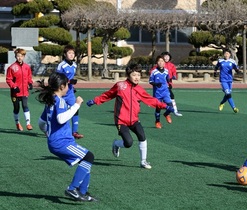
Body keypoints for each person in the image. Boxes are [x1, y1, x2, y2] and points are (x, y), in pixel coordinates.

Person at [86, 64, 174, 169]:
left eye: (139, 75)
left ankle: (143, 161)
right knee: (128, 143)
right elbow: (108, 95)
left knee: (142, 136)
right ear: (128, 75)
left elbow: (151, 100)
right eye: (134, 75)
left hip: (134, 120)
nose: (137, 77)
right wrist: (95, 101)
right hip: (121, 120)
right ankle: (116, 144)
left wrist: (165, 106)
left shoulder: (139, 89)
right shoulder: (120, 86)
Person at [37, 72, 97, 202]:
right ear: (62, 86)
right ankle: (72, 189)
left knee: (85, 159)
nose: (69, 89)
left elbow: (41, 123)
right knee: (89, 157)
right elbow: (61, 118)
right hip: (61, 142)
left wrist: (47, 133)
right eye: (67, 86)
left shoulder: (50, 101)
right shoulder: (60, 101)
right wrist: (76, 105)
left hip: (55, 141)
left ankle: (83, 192)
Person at [56, 45, 83, 139]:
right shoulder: (61, 65)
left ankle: (74, 132)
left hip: (70, 92)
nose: (71, 55)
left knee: (75, 109)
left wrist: (72, 86)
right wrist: (68, 82)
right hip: (61, 92)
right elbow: (57, 78)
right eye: (69, 53)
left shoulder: (74, 65)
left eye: (73, 53)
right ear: (65, 54)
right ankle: (51, 129)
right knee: (60, 112)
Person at [6, 48, 33, 131]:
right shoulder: (12, 67)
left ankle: (28, 123)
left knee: (25, 106)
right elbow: (8, 79)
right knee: (16, 108)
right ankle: (17, 123)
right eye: (18, 56)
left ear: (24, 56)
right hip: (15, 92)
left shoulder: (27, 67)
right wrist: (14, 86)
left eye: (21, 56)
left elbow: (29, 77)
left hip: (24, 91)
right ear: (15, 56)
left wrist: (30, 83)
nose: (19, 58)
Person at [149, 55, 174, 129]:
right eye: (159, 61)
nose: (160, 62)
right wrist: (156, 84)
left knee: (171, 106)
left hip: (165, 92)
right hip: (157, 93)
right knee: (158, 108)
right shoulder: (154, 72)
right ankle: (157, 122)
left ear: (164, 63)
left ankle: (166, 114)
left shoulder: (166, 71)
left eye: (162, 61)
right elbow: (150, 81)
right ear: (157, 62)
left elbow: (167, 79)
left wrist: (169, 84)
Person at [161, 52, 182, 116]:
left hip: (168, 84)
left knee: (168, 97)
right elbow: (153, 72)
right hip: (161, 84)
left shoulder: (171, 65)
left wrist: (174, 76)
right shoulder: (160, 64)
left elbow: (174, 73)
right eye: (165, 56)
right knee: (170, 96)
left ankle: (172, 110)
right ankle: (175, 110)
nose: (167, 58)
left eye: (168, 56)